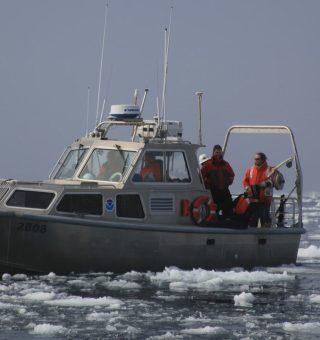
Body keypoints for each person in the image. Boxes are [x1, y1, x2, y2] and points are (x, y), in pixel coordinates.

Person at [200, 144, 235, 219]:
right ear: (213, 153)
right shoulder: (208, 164)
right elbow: (201, 176)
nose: (218, 154)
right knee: (215, 209)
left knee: (229, 208)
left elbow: (232, 175)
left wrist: (228, 182)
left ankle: (229, 223)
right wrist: (207, 183)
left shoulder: (226, 164)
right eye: (216, 152)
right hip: (213, 191)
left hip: (225, 191)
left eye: (219, 152)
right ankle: (214, 223)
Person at [243, 152, 274, 227]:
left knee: (265, 221)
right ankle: (252, 236)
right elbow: (245, 180)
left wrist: (266, 183)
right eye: (255, 159)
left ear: (262, 160)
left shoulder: (270, 169)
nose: (255, 160)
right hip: (253, 200)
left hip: (264, 201)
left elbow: (275, 181)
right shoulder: (250, 170)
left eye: (257, 159)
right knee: (252, 221)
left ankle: (266, 236)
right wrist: (247, 187)